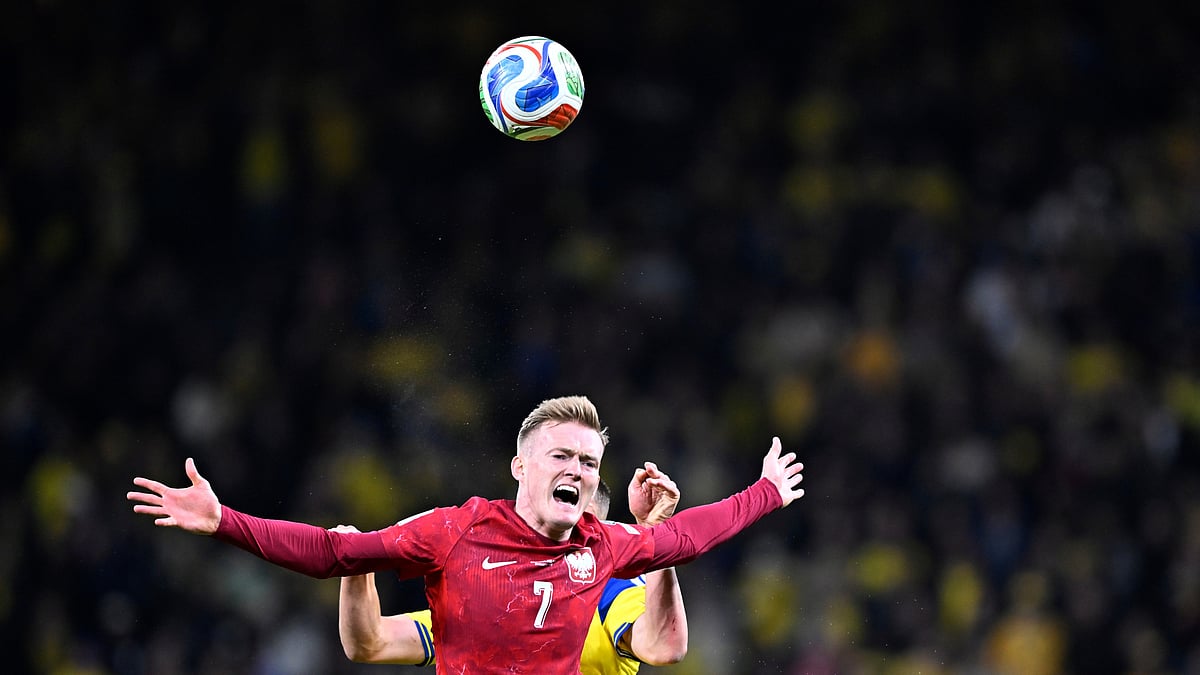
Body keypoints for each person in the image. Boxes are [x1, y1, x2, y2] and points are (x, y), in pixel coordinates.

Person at [127, 395, 804, 674]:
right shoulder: (457, 537)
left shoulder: (602, 556)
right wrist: (223, 521)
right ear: (521, 466)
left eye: (589, 463)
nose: (577, 471)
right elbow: (338, 561)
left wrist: (767, 491)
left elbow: (687, 544)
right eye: (562, 457)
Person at [336, 470, 687, 672]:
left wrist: (656, 541)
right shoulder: (493, 593)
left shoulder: (612, 587)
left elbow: (662, 648)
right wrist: (357, 568)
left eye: (574, 522)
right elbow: (369, 643)